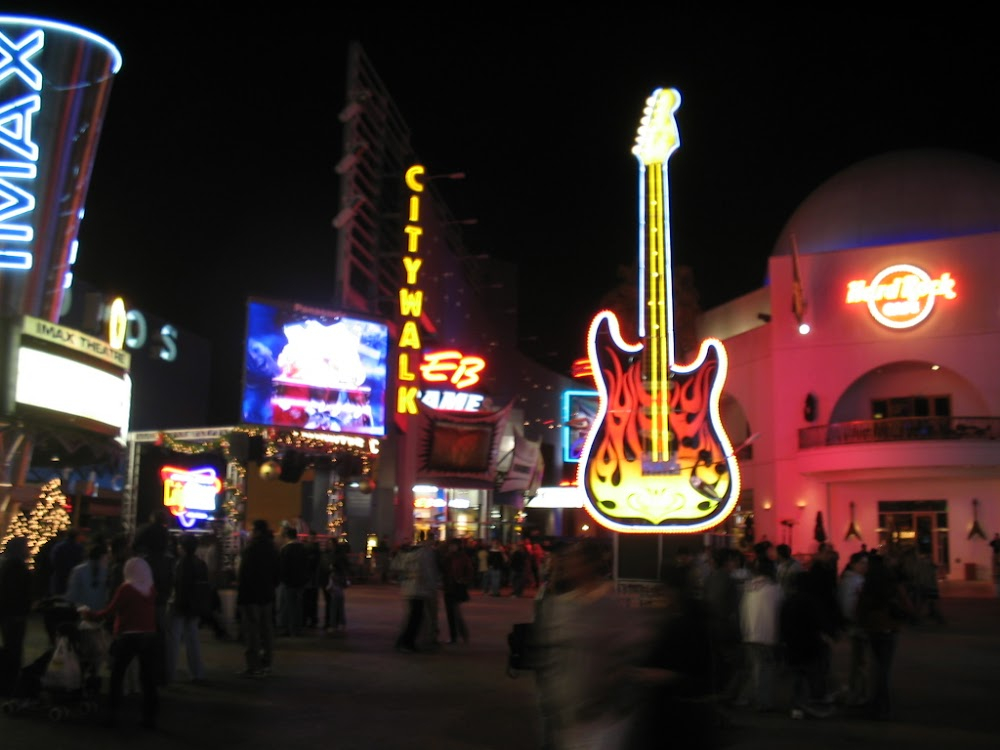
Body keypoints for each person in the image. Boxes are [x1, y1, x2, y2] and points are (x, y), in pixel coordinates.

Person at [532, 539, 634, 750]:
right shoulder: (560, 605)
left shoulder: (608, 605)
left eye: (574, 559)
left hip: (598, 714)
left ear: (590, 564)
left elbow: (623, 656)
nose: (568, 563)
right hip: (566, 711)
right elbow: (550, 656)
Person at [623, 564, 718, 750]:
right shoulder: (693, 618)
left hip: (676, 714)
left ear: (672, 590)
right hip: (687, 714)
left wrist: (648, 674)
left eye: (662, 589)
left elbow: (686, 670)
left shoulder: (681, 624)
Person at [82, 556, 159, 730]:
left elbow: (110, 610)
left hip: (128, 635)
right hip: (148, 635)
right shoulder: (150, 588)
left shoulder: (126, 589)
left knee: (117, 675)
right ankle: (149, 717)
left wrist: (90, 615)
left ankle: (113, 713)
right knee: (147, 678)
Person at [856, 553, 912, 721]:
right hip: (890, 629)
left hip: (873, 629)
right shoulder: (892, 584)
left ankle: (877, 704)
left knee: (877, 667)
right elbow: (908, 606)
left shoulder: (869, 585)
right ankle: (883, 706)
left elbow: (860, 609)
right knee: (884, 670)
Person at [736, 557, 783, 712]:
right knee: (766, 669)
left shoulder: (748, 588)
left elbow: (742, 612)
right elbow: (779, 612)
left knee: (755, 667)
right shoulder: (775, 589)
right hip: (768, 635)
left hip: (750, 633)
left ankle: (745, 698)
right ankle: (762, 701)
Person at [236, 520, 280, 676]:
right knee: (266, 630)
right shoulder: (272, 548)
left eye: (253, 530)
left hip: (251, 596)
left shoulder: (251, 549)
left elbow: (244, 574)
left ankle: (253, 665)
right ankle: (266, 663)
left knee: (252, 631)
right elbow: (277, 573)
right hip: (267, 595)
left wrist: (241, 596)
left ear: (258, 532)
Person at [167, 534, 209, 684]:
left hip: (180, 606)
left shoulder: (181, 564)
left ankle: (169, 673)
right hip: (195, 606)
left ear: (182, 547)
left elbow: (179, 586)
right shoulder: (201, 563)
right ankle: (197, 673)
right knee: (193, 639)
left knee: (173, 641)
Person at [0, 536, 32, 695]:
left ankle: (8, 681)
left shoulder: (6, 563)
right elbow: (16, 592)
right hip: (14, 614)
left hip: (9, 612)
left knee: (11, 647)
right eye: (26, 547)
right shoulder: (16, 567)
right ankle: (10, 683)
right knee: (14, 648)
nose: (29, 550)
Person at [837, 551, 870, 706]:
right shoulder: (852, 582)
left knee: (858, 660)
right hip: (857, 626)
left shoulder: (855, 580)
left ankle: (855, 689)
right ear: (854, 564)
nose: (865, 566)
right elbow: (847, 604)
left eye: (866, 563)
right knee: (860, 661)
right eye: (862, 563)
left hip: (857, 626)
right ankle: (858, 692)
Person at [277, 526, 309, 636]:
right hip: (301, 581)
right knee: (298, 605)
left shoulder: (285, 549)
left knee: (288, 606)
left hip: (288, 582)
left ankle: (289, 628)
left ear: (287, 536)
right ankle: (297, 628)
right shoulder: (303, 548)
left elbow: (282, 567)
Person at [442, 538, 473, 644]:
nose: (452, 547)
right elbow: (444, 570)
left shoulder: (463, 557)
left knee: (455, 612)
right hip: (448, 587)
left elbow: (469, 571)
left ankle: (459, 635)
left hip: (456, 587)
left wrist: (463, 580)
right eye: (451, 545)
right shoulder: (447, 557)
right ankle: (457, 635)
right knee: (452, 613)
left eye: (454, 545)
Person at [65, 540, 110, 612]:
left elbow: (72, 594)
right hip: (92, 611)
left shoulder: (78, 570)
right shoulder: (105, 571)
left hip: (86, 610)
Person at [50, 527, 85, 596]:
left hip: (59, 577)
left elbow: (53, 560)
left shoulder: (59, 547)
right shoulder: (79, 548)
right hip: (72, 578)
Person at [326, 542, 350, 634]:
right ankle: (341, 623)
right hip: (341, 581)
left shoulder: (335, 558)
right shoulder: (343, 558)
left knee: (334, 604)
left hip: (336, 580)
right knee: (340, 603)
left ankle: (333, 625)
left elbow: (332, 568)